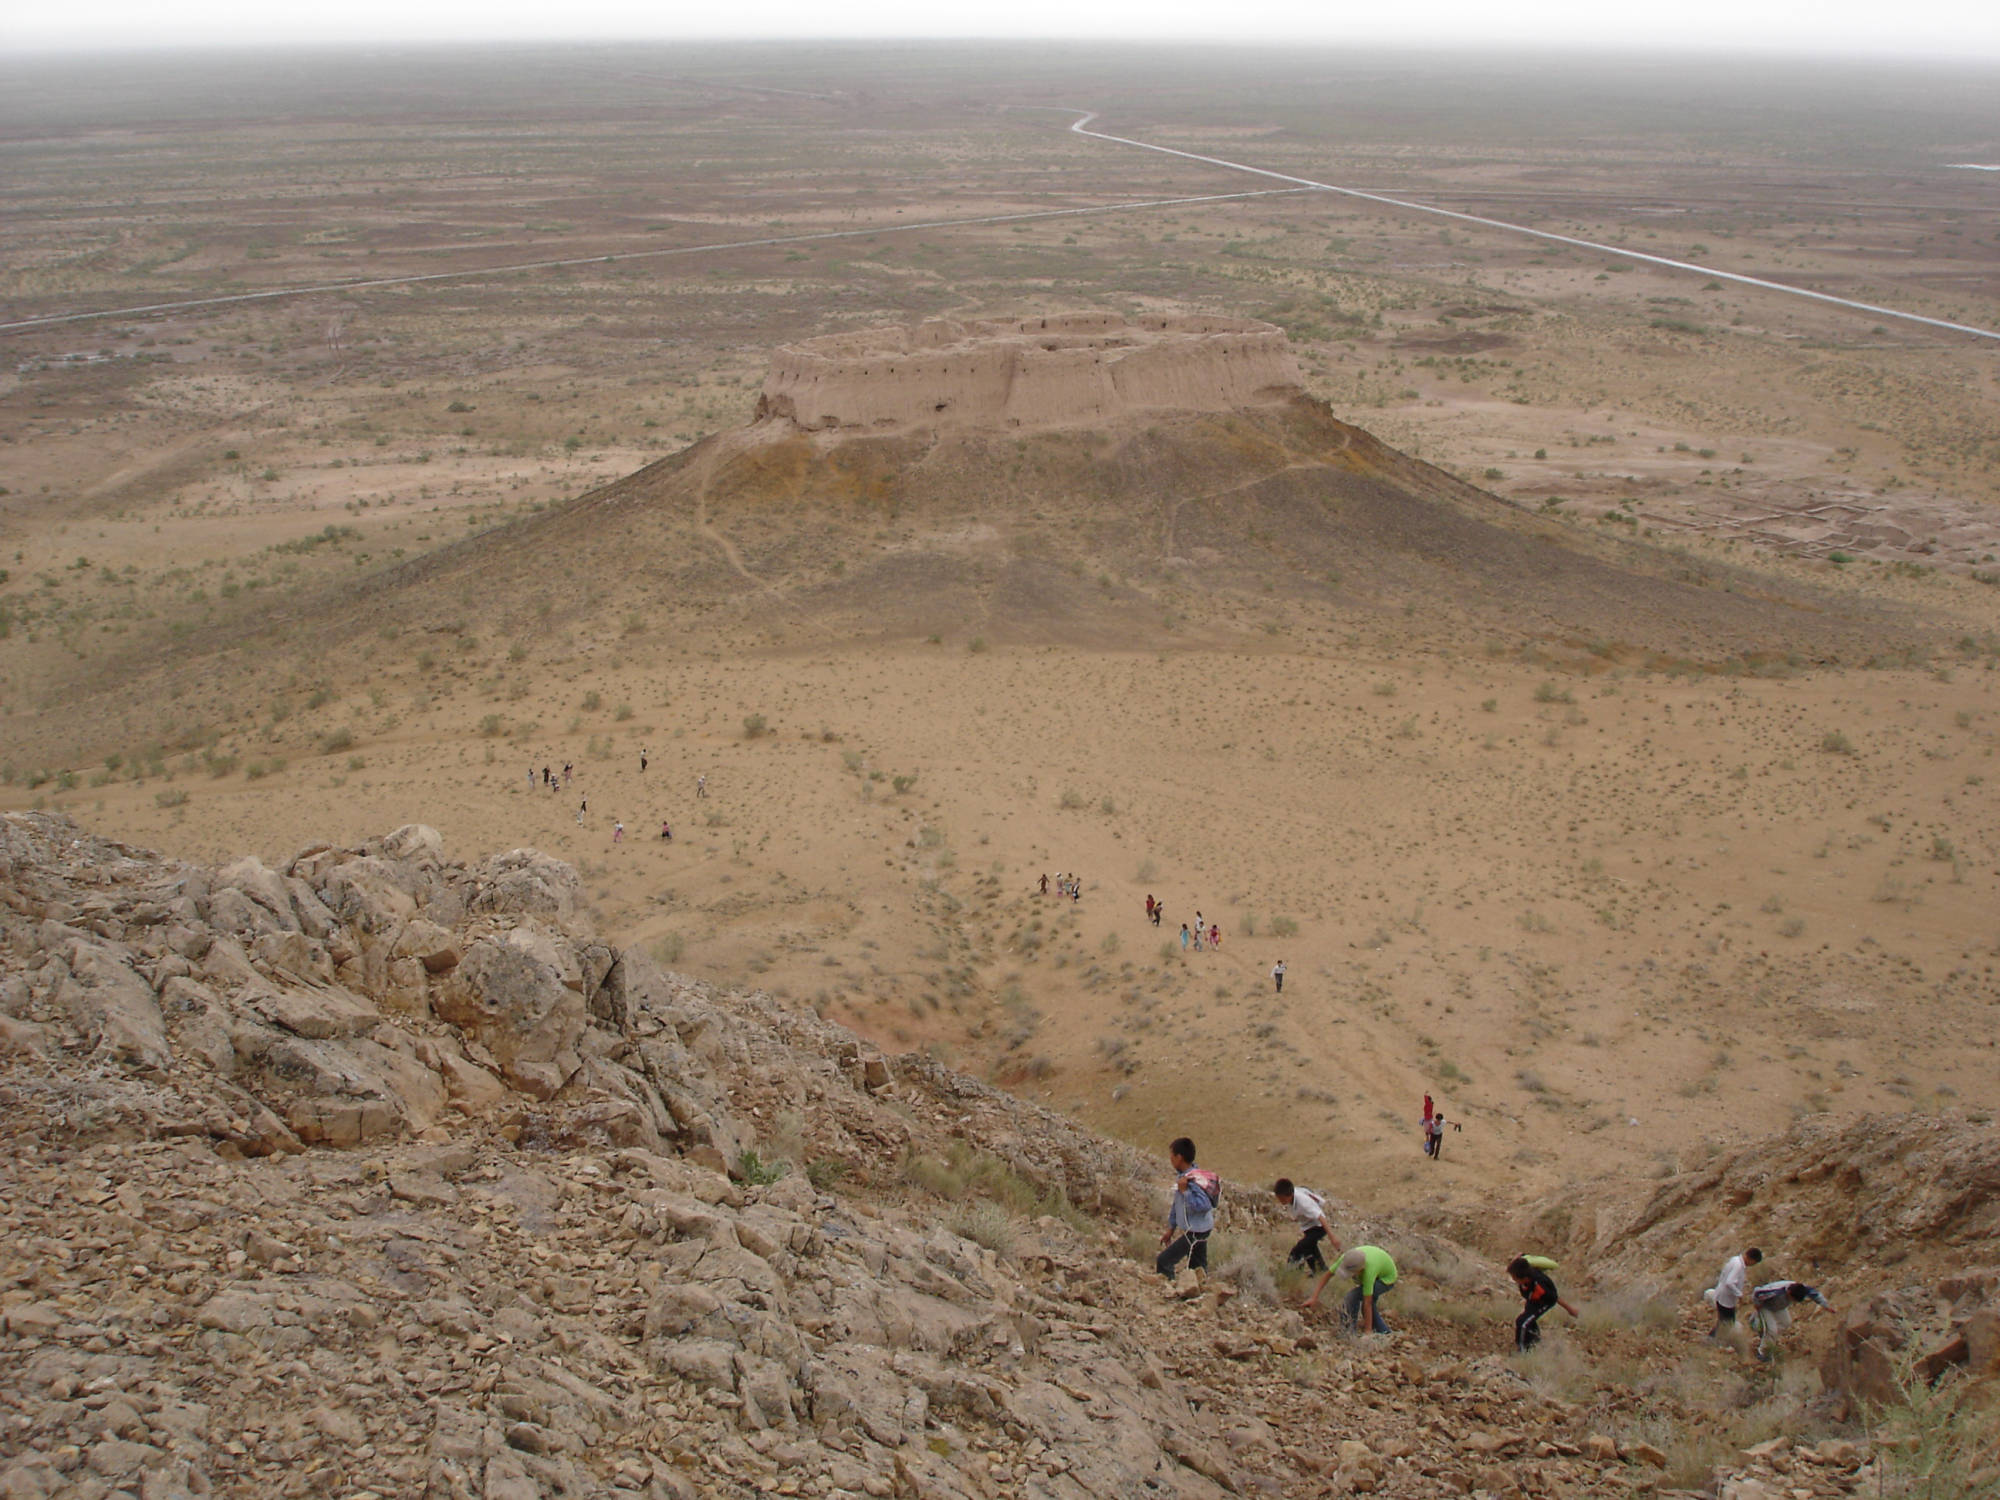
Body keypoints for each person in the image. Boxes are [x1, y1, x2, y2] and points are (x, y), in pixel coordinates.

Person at [1156, 1137, 1218, 1294]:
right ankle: (1199, 1296)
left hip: (1196, 1231)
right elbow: (1177, 1204)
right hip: (1201, 1229)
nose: (1170, 1160)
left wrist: (1185, 1192)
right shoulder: (1185, 1177)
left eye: (1171, 1156)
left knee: (1164, 1261)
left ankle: (1169, 1292)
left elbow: (1204, 1206)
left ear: (1179, 1157)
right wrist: (1171, 1228)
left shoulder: (1192, 1180)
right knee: (1197, 1268)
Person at [1312, 1245, 1396, 1334]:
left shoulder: (1369, 1272)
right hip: (1377, 1265)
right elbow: (1327, 1275)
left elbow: (1367, 1303)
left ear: (1360, 1270)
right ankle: (1384, 1332)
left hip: (1387, 1279)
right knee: (1367, 1305)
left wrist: (1368, 1331)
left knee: (1352, 1297)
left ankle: (1347, 1331)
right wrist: (1314, 1297)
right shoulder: (1347, 1259)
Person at [1747, 1280, 1831, 1361]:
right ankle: (1763, 1353)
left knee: (1786, 1323)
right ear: (1789, 1292)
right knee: (1772, 1330)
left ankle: (1767, 1336)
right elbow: (1757, 1292)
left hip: (1780, 1307)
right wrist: (1757, 1304)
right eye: (1793, 1299)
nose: (1793, 1301)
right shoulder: (1776, 1291)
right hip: (1766, 1307)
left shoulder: (1800, 1288)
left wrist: (1826, 1306)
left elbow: (1814, 1294)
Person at [1508, 1256, 1578, 1352]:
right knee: (1528, 1320)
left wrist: (1570, 1309)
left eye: (1514, 1278)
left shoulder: (1540, 1286)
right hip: (1533, 1300)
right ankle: (1534, 1342)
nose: (1513, 1280)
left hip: (1544, 1302)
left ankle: (1522, 1350)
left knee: (1523, 1323)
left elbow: (1555, 1298)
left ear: (1523, 1277)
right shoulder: (1525, 1280)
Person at [1273, 1179, 1336, 1274]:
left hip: (1319, 1227)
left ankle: (1292, 1273)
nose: (1279, 1200)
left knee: (1298, 1250)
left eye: (1281, 1198)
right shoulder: (1293, 1193)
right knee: (1309, 1249)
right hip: (1308, 1226)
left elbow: (1320, 1217)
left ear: (1288, 1196)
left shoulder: (1303, 1203)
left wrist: (1332, 1237)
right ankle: (1320, 1271)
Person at [1707, 1246, 1763, 1346]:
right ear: (1751, 1259)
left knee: (1725, 1320)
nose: (1751, 1265)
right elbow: (1730, 1282)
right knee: (1727, 1322)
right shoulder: (1739, 1266)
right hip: (1725, 1298)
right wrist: (1739, 1294)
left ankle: (1714, 1339)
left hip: (1722, 1295)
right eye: (1753, 1263)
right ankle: (1713, 1339)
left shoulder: (1735, 1260)